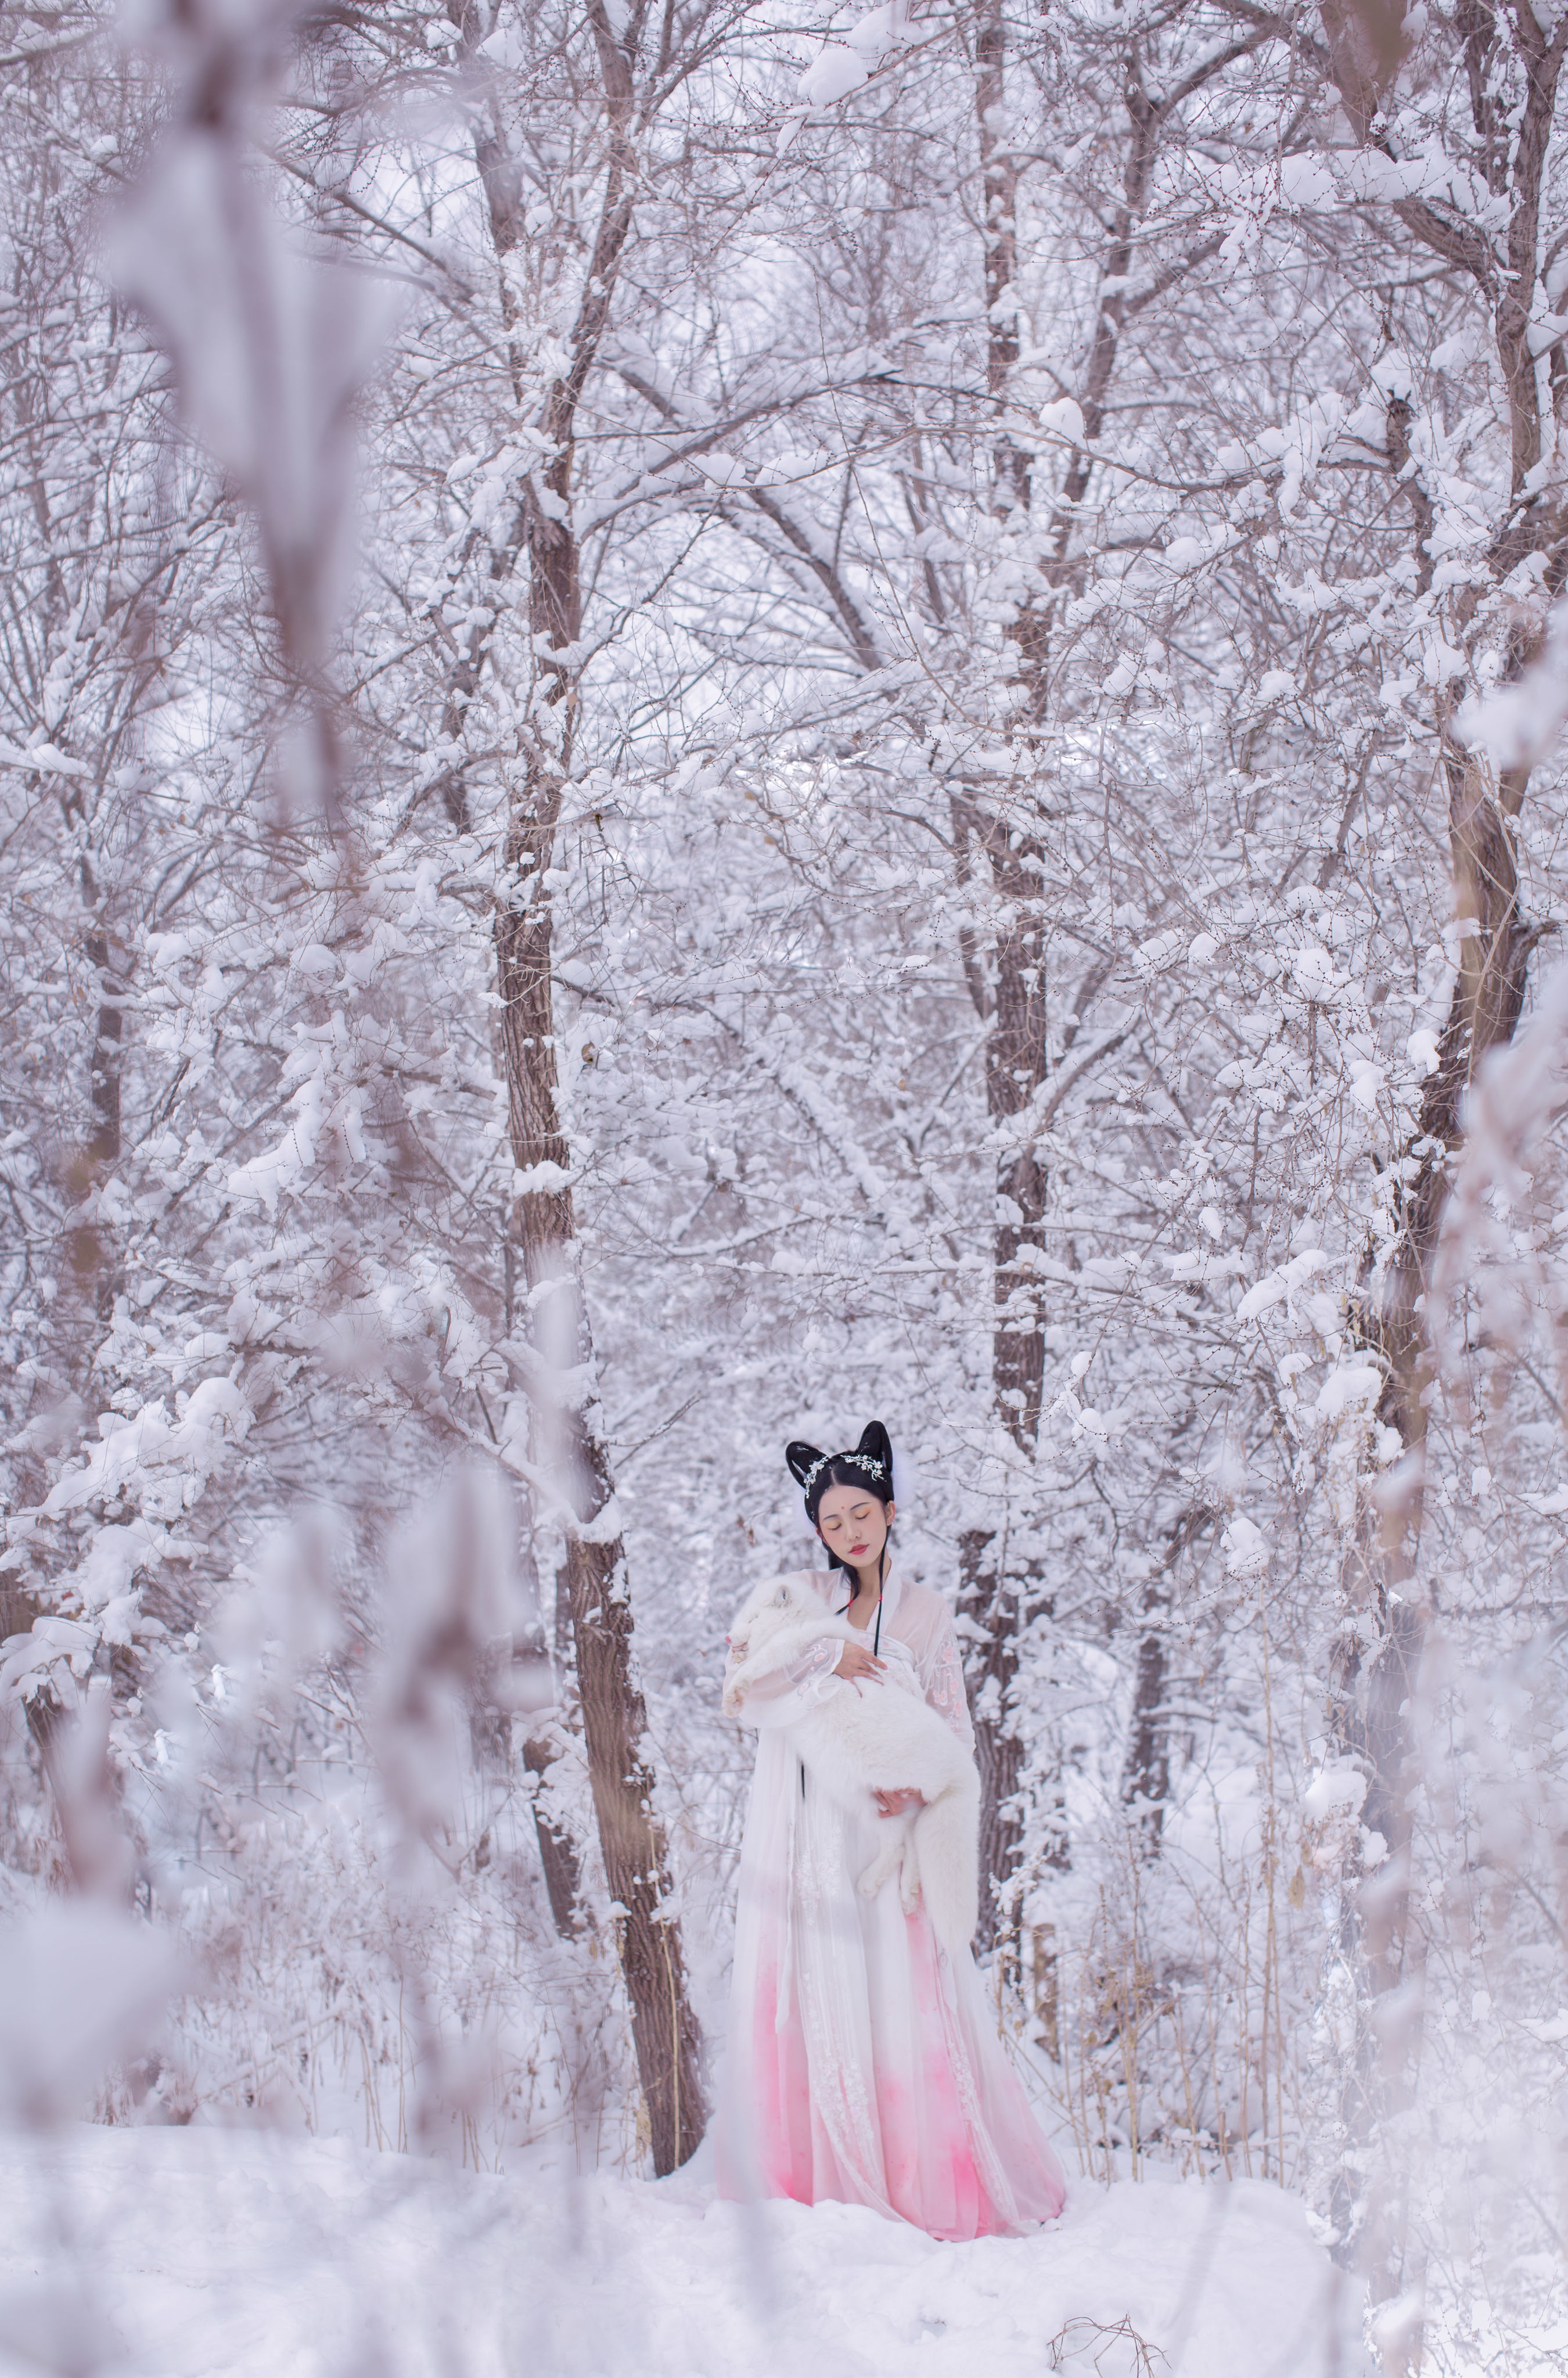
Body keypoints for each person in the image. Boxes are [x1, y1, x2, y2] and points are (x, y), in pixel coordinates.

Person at [714, 1421, 1067, 2240]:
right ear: (818, 1531)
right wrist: (819, 1655)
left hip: (885, 1828)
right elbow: (739, 1679)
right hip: (807, 1827)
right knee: (814, 1980)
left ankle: (918, 2177)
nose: (848, 1532)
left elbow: (951, 1722)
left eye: (861, 1513)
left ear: (890, 1508)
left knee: (896, 1992)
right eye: (831, 1522)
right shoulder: (797, 1597)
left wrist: (907, 1786)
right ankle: (810, 2176)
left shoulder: (926, 1611)